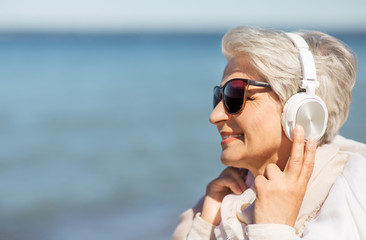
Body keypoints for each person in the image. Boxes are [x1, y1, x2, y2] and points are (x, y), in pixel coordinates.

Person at [171, 26, 366, 240]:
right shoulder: (215, 203)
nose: (215, 116)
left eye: (235, 95)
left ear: (301, 109)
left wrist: (273, 229)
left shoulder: (352, 190)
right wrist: (204, 228)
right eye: (220, 96)